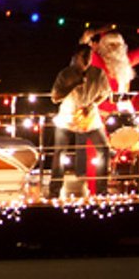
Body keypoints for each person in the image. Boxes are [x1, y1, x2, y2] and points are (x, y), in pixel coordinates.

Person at [50, 66, 114, 197]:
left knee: (104, 148)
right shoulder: (65, 74)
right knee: (60, 152)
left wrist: (92, 105)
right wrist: (73, 85)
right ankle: (55, 190)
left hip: (90, 118)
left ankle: (101, 189)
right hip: (68, 117)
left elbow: (105, 92)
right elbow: (55, 97)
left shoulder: (98, 73)